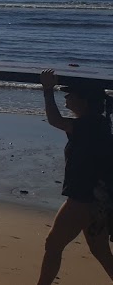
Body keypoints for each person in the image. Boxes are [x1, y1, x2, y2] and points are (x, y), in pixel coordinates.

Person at [36, 69, 113, 284]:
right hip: (99, 200)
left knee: (53, 245)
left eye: (71, 95)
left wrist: (47, 90)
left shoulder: (88, 125)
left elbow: (55, 120)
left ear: (85, 101)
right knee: (101, 252)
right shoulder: (101, 124)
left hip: (82, 200)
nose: (67, 97)